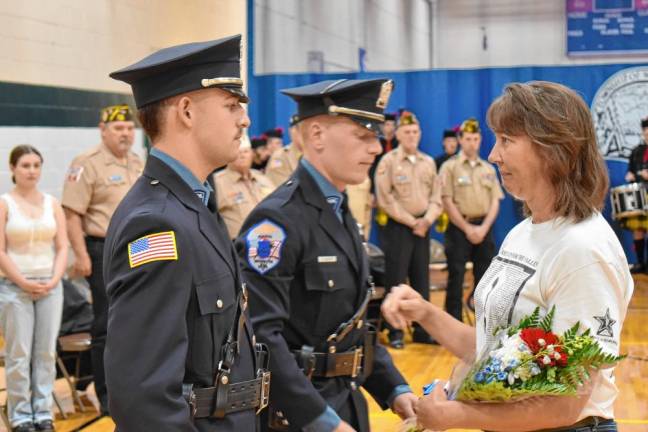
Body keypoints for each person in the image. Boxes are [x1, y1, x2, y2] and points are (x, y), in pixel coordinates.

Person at [382, 81, 634, 432]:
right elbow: (496, 350)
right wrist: (424, 312)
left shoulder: (583, 250)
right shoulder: (523, 232)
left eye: (506, 140)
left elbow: (565, 403)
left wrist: (457, 416)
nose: (493, 155)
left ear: (553, 149)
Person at [104, 35, 269, 431]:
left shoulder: (193, 203)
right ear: (187, 112)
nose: (244, 120)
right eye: (231, 106)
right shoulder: (157, 223)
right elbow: (144, 400)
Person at [236, 78, 417, 432]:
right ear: (317, 135)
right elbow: (260, 335)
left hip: (344, 402)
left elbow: (352, 324)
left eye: (376, 136)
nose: (376, 148)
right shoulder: (277, 221)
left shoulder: (337, 207)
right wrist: (318, 419)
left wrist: (395, 388)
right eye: (363, 136)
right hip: (297, 415)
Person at [60, 104, 142, 414]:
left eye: (129, 128)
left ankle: (132, 387)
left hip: (136, 249)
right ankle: (107, 395)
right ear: (103, 130)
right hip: (101, 249)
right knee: (107, 325)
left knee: (137, 321)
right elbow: (71, 214)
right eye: (118, 128)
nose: (125, 134)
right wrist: (80, 255)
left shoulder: (137, 162)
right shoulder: (86, 164)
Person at [0, 145, 68, 432]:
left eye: (36, 165)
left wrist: (54, 279)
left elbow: (63, 245)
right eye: (25, 165)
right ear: (13, 169)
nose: (31, 171)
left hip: (50, 286)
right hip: (14, 286)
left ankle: (42, 412)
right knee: (18, 354)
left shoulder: (52, 203)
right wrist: (22, 281)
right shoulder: (5, 203)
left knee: (46, 353)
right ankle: (20, 415)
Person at [374, 110, 442, 348]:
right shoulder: (388, 161)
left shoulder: (428, 162)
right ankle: (395, 332)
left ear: (420, 134)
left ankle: (422, 330)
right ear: (398, 134)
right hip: (399, 228)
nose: (411, 135)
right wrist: (412, 221)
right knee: (397, 279)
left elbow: (437, 197)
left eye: (415, 131)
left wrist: (427, 220)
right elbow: (385, 198)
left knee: (421, 279)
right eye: (407, 132)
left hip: (423, 228)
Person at [438, 117, 503, 320]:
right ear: (460, 140)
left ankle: (483, 322)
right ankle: (453, 320)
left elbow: (495, 201)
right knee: (456, 276)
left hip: (484, 227)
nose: (472, 143)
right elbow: (446, 201)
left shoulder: (488, 169)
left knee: (484, 277)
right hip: (459, 228)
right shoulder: (450, 167)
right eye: (468, 139)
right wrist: (467, 228)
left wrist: (483, 228)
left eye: (476, 138)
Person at [215, 135, 275, 239]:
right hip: (237, 246)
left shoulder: (263, 178)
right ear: (229, 155)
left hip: (271, 241)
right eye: (238, 152)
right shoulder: (218, 182)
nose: (242, 155)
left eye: (246, 152)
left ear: (252, 154)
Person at [623, 117, 648, 273]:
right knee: (638, 229)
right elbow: (630, 171)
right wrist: (630, 175)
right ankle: (639, 263)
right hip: (639, 195)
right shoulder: (636, 151)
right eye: (646, 132)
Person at [265, 115, 303, 187]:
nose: (302, 133)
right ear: (291, 131)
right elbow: (281, 187)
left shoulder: (315, 153)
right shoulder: (280, 156)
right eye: (298, 129)